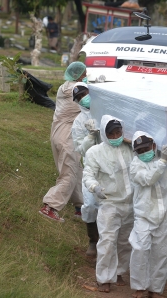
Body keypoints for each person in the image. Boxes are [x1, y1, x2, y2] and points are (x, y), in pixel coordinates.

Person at [129, 132, 167, 298]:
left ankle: (155, 289)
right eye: (140, 150)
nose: (144, 152)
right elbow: (148, 179)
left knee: (162, 251)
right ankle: (139, 286)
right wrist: (163, 160)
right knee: (140, 248)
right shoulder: (135, 165)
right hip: (144, 213)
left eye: (147, 148)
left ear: (154, 145)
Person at [83, 115, 134, 293]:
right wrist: (94, 186)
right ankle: (104, 279)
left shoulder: (129, 148)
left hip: (131, 202)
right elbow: (88, 174)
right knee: (107, 241)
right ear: (104, 134)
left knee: (125, 241)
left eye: (118, 132)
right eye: (111, 133)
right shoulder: (95, 152)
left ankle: (119, 272)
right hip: (109, 203)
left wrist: (131, 141)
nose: (115, 136)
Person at [39, 62, 86, 222]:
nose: (86, 75)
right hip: (68, 136)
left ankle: (81, 207)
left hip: (58, 133)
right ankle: (50, 206)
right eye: (84, 72)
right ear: (78, 74)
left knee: (76, 170)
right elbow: (88, 102)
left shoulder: (64, 86)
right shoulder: (76, 88)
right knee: (69, 173)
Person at [70, 82, 100, 257]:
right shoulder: (79, 122)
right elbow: (81, 149)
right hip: (92, 165)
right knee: (89, 204)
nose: (84, 98)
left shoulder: (105, 110)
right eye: (80, 97)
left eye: (85, 93)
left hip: (112, 164)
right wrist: (90, 136)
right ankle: (93, 240)